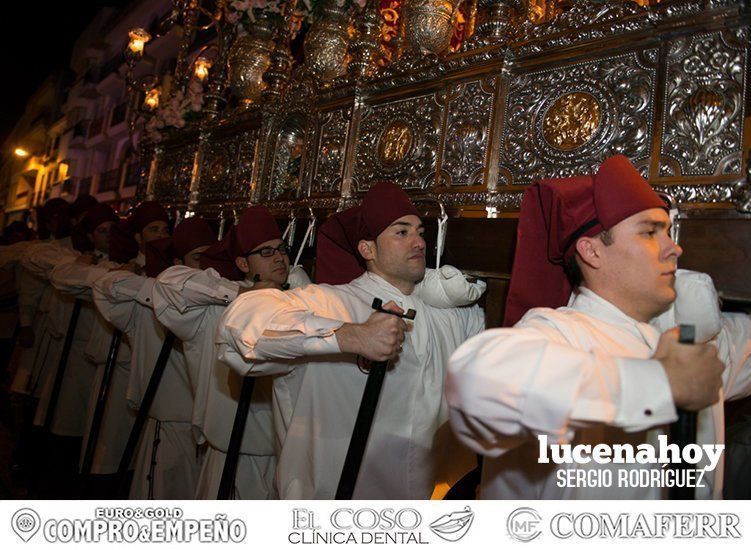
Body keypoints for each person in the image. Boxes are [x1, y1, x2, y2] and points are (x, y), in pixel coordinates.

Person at [445, 155, 751, 499]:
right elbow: (480, 379)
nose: (674, 248)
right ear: (591, 252)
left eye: (667, 232)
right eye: (650, 232)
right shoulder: (561, 333)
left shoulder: (684, 345)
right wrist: (658, 383)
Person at [216, 183, 485, 499]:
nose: (418, 242)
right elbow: (239, 325)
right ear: (368, 249)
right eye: (401, 233)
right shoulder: (328, 302)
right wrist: (350, 336)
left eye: (420, 232)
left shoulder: (453, 317)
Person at [153, 206, 311, 499]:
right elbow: (167, 283)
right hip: (230, 451)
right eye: (265, 253)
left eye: (281, 250)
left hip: (283, 453)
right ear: (241, 262)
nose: (278, 257)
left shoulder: (297, 300)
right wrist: (242, 295)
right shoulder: (216, 303)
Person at [91, 217, 215, 499]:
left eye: (212, 258)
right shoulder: (149, 302)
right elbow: (106, 286)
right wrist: (162, 292)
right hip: (169, 426)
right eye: (198, 258)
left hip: (206, 435)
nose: (207, 268)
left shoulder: (220, 300)